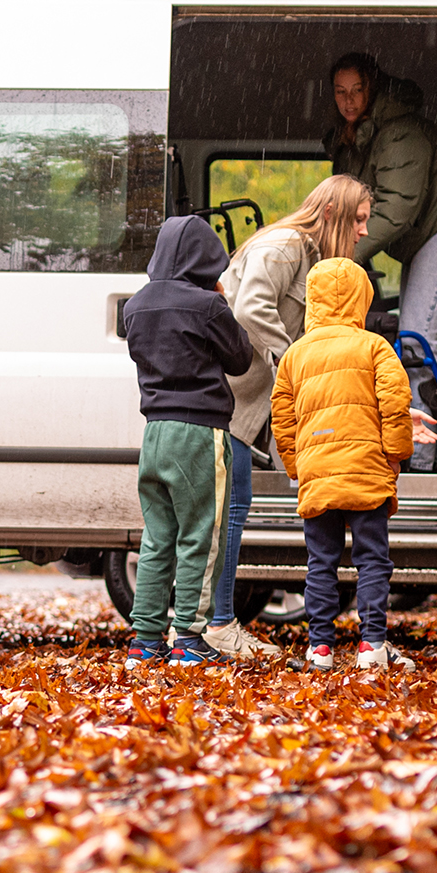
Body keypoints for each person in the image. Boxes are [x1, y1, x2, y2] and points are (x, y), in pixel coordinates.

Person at [206, 175, 375, 662]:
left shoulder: (316, 260)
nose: (364, 231)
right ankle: (217, 624)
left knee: (229, 511)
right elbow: (250, 309)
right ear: (334, 215)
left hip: (253, 405)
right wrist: (295, 364)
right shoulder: (283, 246)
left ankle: (213, 622)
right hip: (231, 400)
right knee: (228, 511)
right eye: (359, 219)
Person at [325, 51, 437, 472]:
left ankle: (431, 458)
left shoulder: (400, 133)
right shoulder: (356, 135)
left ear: (372, 88)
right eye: (340, 92)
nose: (348, 101)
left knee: (419, 339)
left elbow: (396, 208)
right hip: (427, 233)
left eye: (356, 91)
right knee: (417, 340)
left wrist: (342, 255)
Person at [272, 258, 424, 671]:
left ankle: (320, 648)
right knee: (372, 559)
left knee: (321, 561)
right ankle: (372, 645)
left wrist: (296, 466)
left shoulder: (294, 355)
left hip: (318, 472)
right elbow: (396, 405)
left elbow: (282, 419)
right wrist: (394, 457)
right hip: (366, 470)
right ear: (361, 298)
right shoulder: (375, 347)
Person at [122, 215, 255, 666]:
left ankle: (144, 639)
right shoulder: (208, 306)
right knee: (202, 535)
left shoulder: (135, 305)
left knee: (157, 538)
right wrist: (220, 305)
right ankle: (190, 639)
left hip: (154, 433)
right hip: (199, 434)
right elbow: (240, 360)